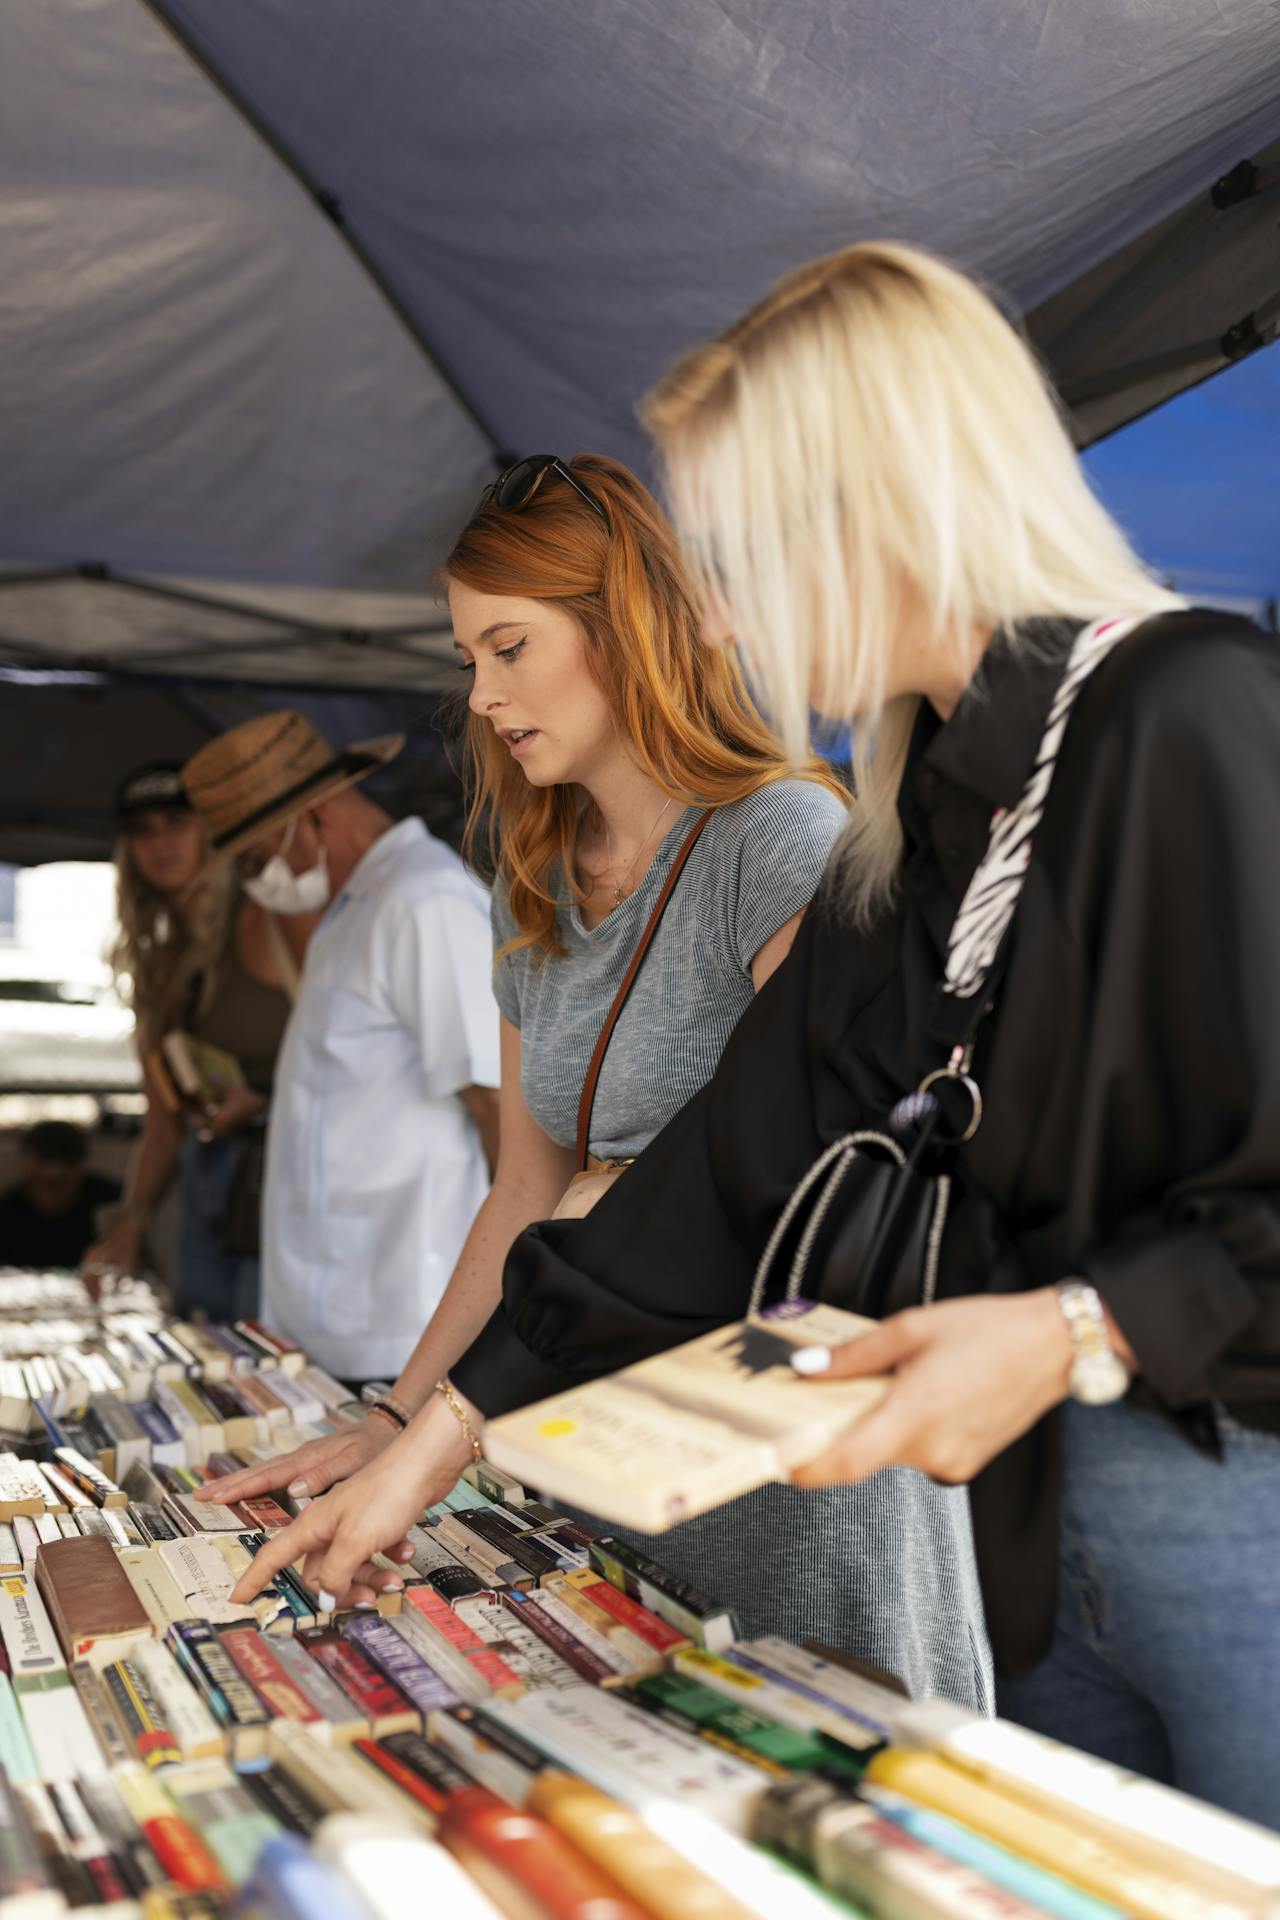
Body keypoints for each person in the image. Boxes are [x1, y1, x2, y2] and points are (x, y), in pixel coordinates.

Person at [431, 247, 1277, 1823]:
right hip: (1038, 1542)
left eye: (746, 544)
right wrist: (448, 1427)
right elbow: (727, 1165)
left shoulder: (1185, 709)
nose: (727, 609)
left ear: (874, 503)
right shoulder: (920, 818)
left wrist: (1068, 1331)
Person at [214, 455, 995, 1714]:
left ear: (623, 621)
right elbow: (524, 1188)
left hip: (785, 1473)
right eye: (469, 660)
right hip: (598, 1453)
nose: (481, 697)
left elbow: (821, 1172)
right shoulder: (536, 886)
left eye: (510, 648)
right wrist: (393, 1415)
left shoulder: (775, 839)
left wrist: (609, 1203)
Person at [181, 712, 501, 1388]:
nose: (256, 879)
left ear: (315, 818)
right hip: (336, 1318)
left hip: (402, 1322)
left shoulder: (425, 900)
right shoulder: (356, 907)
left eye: (255, 857)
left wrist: (509, 1300)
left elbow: (498, 1103)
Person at [83, 761, 311, 1317]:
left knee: (272, 1364)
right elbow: (163, 1119)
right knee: (209, 1356)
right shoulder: (160, 959)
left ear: (211, 829)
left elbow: (358, 1055)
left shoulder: (268, 919)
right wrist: (130, 1223)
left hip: (293, 1177)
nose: (160, 843)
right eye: (142, 831)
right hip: (210, 1181)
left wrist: (263, 1105)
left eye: (175, 822)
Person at [0, 1122, 121, 1271]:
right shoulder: (8, 1209)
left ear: (79, 1170)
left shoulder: (109, 1202)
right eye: (40, 1182)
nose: (48, 1192)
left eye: (57, 1184)